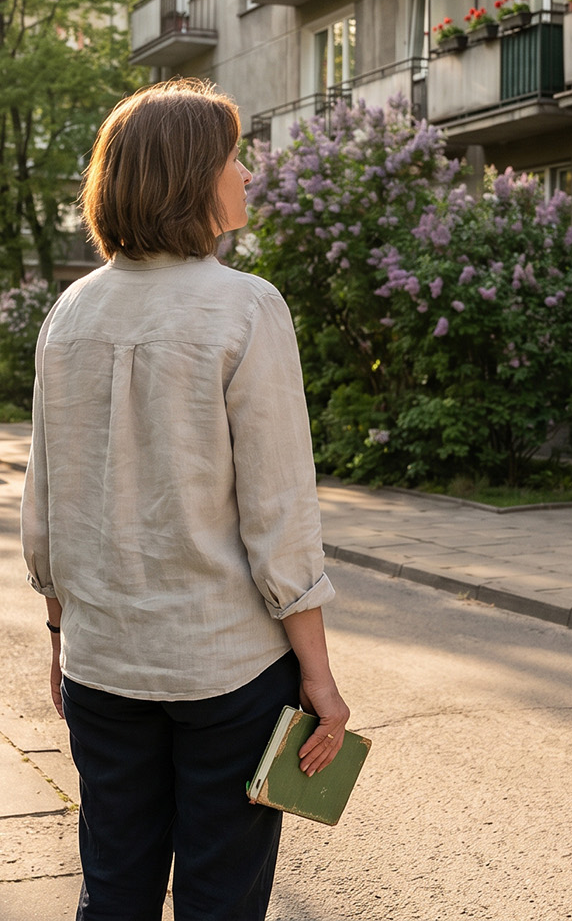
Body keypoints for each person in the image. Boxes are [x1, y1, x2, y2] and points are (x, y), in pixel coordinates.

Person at [21, 78, 350, 921]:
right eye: (234, 157)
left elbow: (46, 509)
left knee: (114, 893)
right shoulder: (245, 308)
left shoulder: (70, 312)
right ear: (191, 177)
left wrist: (60, 637)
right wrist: (320, 678)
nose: (247, 174)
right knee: (220, 901)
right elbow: (280, 517)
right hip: (226, 673)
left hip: (104, 665)